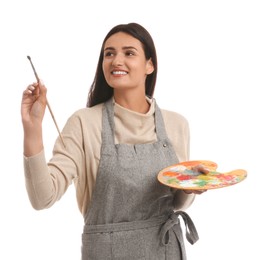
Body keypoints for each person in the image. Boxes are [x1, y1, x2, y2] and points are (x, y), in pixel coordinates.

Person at [21, 22, 207, 260]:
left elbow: (178, 203)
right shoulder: (84, 123)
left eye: (129, 53)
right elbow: (41, 197)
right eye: (109, 54)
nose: (116, 61)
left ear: (149, 65)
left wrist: (192, 183)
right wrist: (33, 127)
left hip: (166, 250)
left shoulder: (176, 124)